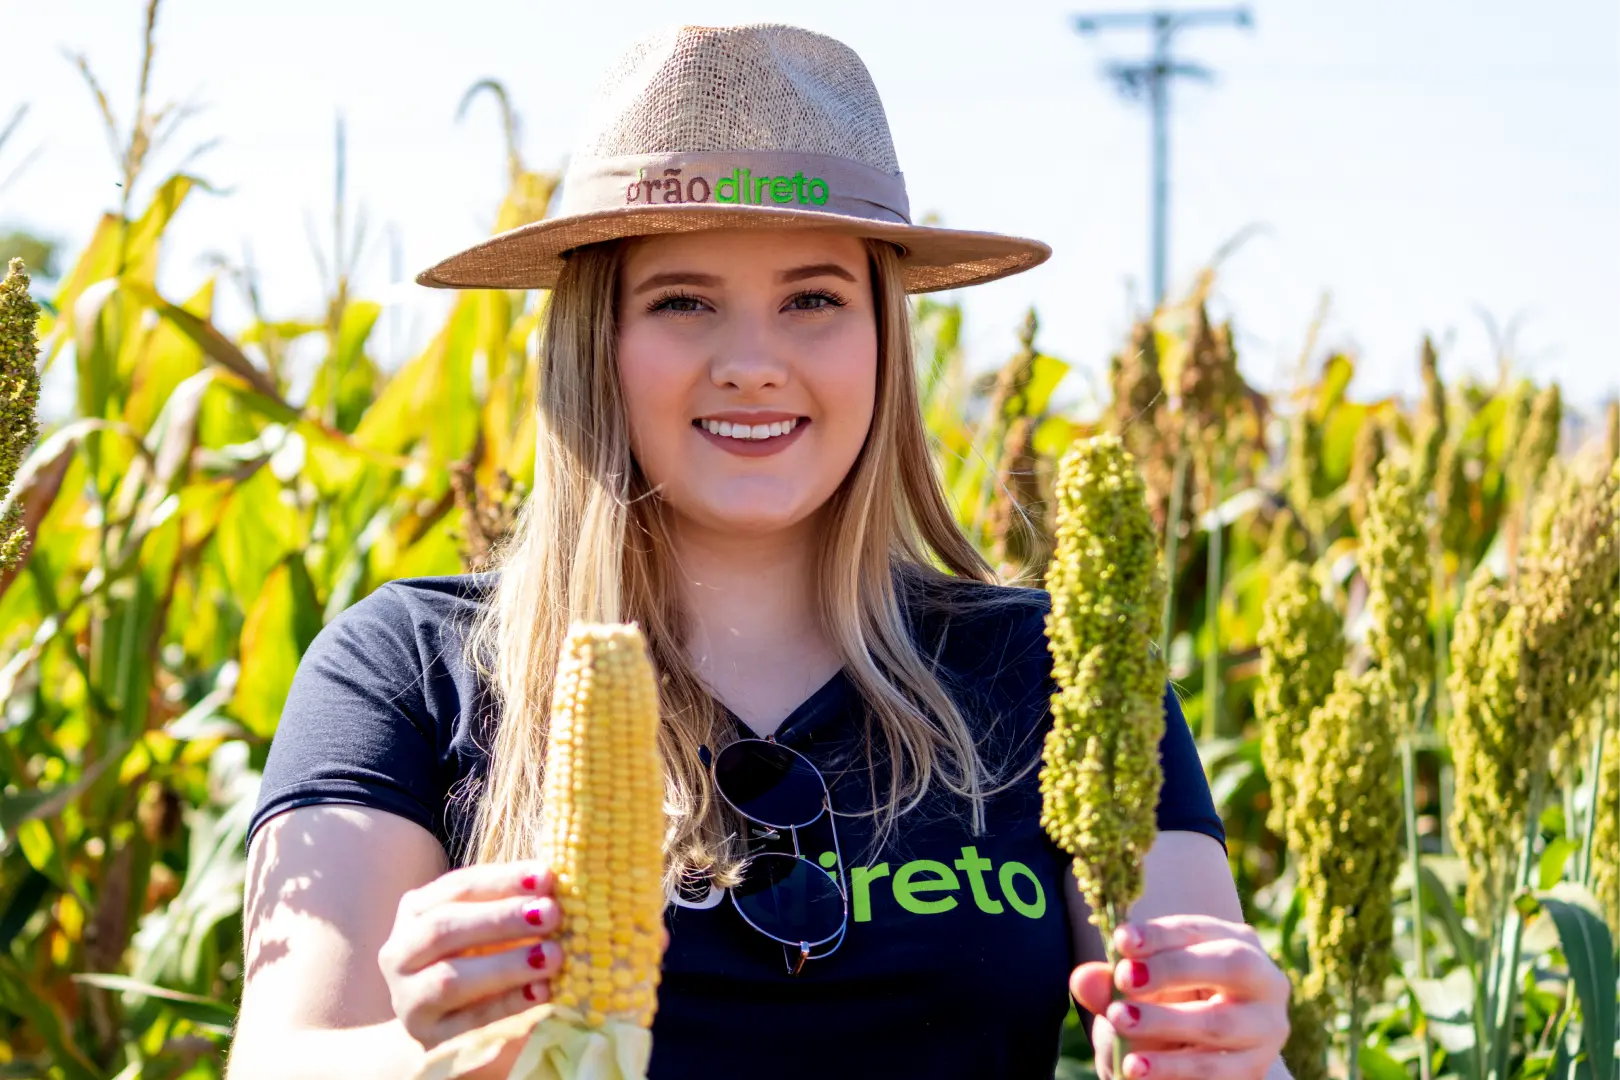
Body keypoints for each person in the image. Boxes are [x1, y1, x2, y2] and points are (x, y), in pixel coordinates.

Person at [229, 23, 1291, 1080]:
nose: (751, 362)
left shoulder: (1059, 671)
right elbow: (282, 1060)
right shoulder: (404, 669)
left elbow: (1203, 1027)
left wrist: (1236, 1052)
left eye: (813, 300)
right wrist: (427, 1051)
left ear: (883, 338)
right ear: (597, 339)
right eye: (683, 302)